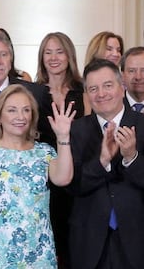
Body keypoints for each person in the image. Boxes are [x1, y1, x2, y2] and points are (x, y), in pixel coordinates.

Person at [0, 84, 74, 268]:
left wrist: (63, 136)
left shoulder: (44, 152)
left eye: (26, 110)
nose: (20, 117)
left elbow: (63, 178)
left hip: (39, 253)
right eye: (12, 110)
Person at [68, 59, 144, 268]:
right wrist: (101, 161)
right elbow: (71, 187)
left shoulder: (142, 125)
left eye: (108, 85)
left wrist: (132, 157)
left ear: (122, 87)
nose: (101, 94)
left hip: (137, 242)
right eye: (93, 88)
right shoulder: (75, 131)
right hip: (89, 242)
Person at [35, 31, 88, 268]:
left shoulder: (83, 92)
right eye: (48, 52)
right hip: (42, 179)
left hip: (76, 177)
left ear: (69, 56)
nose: (54, 57)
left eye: (59, 51)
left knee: (72, 247)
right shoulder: (33, 92)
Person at [120, 46, 144, 111]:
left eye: (143, 70)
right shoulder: (111, 106)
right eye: (131, 71)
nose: (138, 77)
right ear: (122, 76)